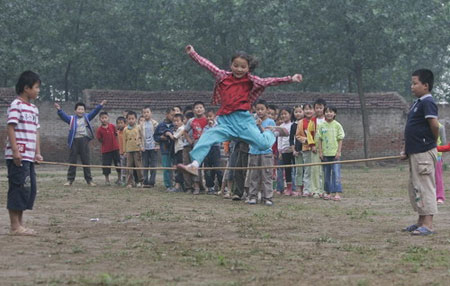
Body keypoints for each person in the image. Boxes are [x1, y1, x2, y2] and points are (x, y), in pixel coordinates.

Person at [177, 45, 302, 176]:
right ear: (231, 65)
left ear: (248, 68)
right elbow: (207, 65)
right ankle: (194, 165)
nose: (239, 69)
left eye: (243, 67)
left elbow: (270, 81)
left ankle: (272, 133)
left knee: (263, 144)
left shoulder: (252, 81)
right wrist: (192, 53)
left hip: (244, 122)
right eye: (236, 65)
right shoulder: (222, 76)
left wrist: (290, 79)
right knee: (207, 137)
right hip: (226, 122)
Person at [400, 69, 439, 236]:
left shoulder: (428, 102)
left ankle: (428, 225)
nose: (412, 86)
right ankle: (420, 221)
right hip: (415, 152)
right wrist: (406, 150)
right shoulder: (418, 102)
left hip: (424, 152)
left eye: (415, 83)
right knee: (417, 187)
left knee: (425, 187)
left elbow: (434, 126)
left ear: (426, 85)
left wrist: (430, 143)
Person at [5, 71, 43, 236]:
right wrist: (15, 151)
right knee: (18, 187)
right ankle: (15, 226)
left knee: (28, 188)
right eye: (36, 87)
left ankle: (20, 224)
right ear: (26, 88)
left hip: (29, 156)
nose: (38, 91)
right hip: (18, 156)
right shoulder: (16, 105)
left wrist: (38, 153)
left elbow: (36, 132)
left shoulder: (34, 109)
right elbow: (11, 127)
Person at [55, 100, 106, 186]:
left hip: (84, 140)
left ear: (84, 111)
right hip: (74, 141)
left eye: (82, 109)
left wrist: (100, 105)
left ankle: (89, 180)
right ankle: (70, 180)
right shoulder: (71, 119)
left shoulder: (87, 117)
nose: (80, 111)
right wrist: (59, 110)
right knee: (72, 161)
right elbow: (64, 116)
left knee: (86, 161)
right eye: (79, 109)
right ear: (75, 111)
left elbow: (94, 112)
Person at [247, 99, 276, 206]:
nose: (259, 111)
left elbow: (267, 136)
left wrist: (259, 126)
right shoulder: (252, 121)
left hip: (266, 152)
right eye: (257, 109)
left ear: (267, 110)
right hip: (254, 151)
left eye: (262, 109)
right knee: (254, 175)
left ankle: (267, 197)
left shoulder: (270, 122)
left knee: (266, 175)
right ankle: (252, 196)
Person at [317, 106, 345, 201]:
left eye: (331, 112)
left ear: (335, 114)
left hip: (335, 154)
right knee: (326, 174)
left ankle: (337, 193)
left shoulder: (337, 125)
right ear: (324, 113)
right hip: (325, 154)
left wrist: (339, 152)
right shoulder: (321, 126)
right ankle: (327, 192)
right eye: (327, 112)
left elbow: (340, 139)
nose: (329, 114)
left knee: (336, 173)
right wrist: (320, 152)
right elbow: (319, 139)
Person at [184, 101, 208, 194]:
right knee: (196, 166)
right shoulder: (191, 121)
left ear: (204, 109)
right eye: (197, 108)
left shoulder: (207, 120)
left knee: (206, 166)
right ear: (194, 110)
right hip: (196, 145)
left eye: (201, 107)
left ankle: (207, 186)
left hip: (206, 144)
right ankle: (196, 186)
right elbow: (185, 131)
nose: (199, 109)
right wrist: (190, 140)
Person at [96, 111, 121, 185]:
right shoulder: (99, 130)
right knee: (106, 165)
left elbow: (116, 135)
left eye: (105, 118)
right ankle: (107, 180)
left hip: (115, 149)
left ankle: (119, 179)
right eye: (102, 118)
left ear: (108, 118)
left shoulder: (112, 126)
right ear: (100, 119)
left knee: (118, 164)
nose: (104, 119)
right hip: (106, 150)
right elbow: (100, 139)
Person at [154, 108, 175, 190]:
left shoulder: (175, 125)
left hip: (174, 150)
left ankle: (176, 184)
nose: (173, 117)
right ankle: (168, 185)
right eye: (172, 115)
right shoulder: (160, 125)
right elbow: (155, 137)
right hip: (164, 150)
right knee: (166, 168)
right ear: (167, 114)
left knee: (175, 167)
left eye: (174, 115)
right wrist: (161, 138)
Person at [203, 109, 223, 195]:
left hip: (215, 148)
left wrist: (212, 127)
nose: (208, 118)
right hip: (207, 148)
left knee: (217, 168)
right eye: (207, 116)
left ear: (214, 117)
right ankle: (210, 186)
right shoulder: (205, 128)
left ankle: (221, 186)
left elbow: (218, 136)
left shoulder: (218, 126)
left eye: (210, 116)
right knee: (207, 168)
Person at [123, 111, 144, 188]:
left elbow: (141, 138)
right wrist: (124, 151)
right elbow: (124, 141)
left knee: (138, 166)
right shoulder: (125, 129)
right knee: (129, 166)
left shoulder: (138, 127)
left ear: (135, 119)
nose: (131, 120)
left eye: (132, 118)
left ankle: (140, 181)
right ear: (127, 120)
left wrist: (141, 147)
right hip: (129, 150)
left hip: (137, 149)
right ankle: (130, 182)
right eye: (129, 119)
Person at [277, 107, 295, 196]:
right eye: (282, 114)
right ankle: (288, 188)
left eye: (285, 114)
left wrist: (294, 148)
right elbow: (279, 140)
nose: (284, 116)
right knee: (287, 170)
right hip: (284, 151)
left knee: (295, 169)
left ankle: (295, 188)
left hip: (293, 150)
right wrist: (280, 151)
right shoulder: (280, 127)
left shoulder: (293, 125)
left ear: (290, 115)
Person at [140, 106, 159, 188]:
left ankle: (152, 182)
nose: (146, 114)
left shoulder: (155, 124)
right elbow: (139, 137)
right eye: (144, 112)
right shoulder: (140, 125)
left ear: (151, 113)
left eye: (147, 112)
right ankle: (145, 181)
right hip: (145, 148)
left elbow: (158, 135)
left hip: (153, 147)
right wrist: (140, 146)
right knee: (145, 165)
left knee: (153, 165)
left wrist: (157, 144)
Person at [167, 113, 186, 192]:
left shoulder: (182, 129)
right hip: (177, 150)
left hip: (181, 150)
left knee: (179, 168)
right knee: (178, 168)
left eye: (178, 121)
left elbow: (174, 137)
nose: (175, 123)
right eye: (174, 121)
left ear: (182, 121)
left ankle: (178, 186)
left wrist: (168, 133)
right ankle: (179, 185)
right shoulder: (177, 129)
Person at [290, 105, 304, 196]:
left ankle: (306, 188)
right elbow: (291, 139)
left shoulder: (307, 122)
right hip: (297, 151)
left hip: (307, 149)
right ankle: (298, 189)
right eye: (296, 112)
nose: (298, 114)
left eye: (300, 111)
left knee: (307, 170)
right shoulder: (293, 125)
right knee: (298, 170)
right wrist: (294, 150)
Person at [436, 123, 446, 204]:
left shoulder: (440, 127)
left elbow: (444, 142)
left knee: (438, 177)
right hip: (425, 155)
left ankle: (440, 197)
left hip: (437, 156)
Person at [116, 116, 127, 185]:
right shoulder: (117, 132)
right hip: (121, 152)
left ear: (125, 123)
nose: (120, 124)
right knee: (122, 167)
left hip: (127, 152)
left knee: (129, 167)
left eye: (121, 123)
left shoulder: (126, 131)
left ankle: (131, 180)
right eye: (118, 123)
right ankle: (123, 180)